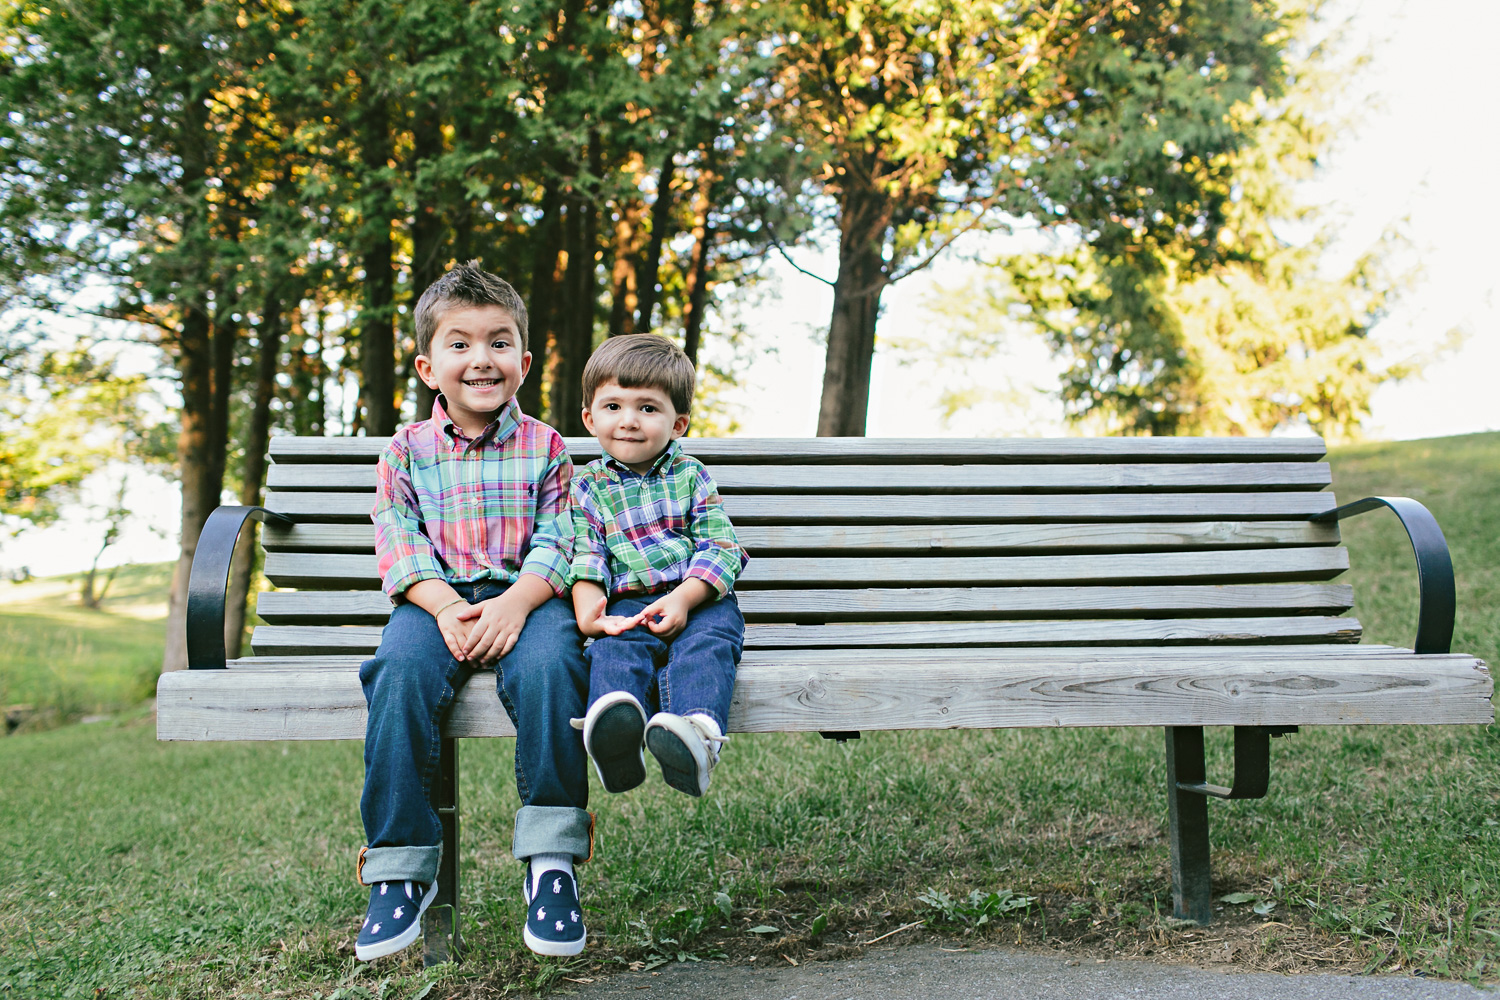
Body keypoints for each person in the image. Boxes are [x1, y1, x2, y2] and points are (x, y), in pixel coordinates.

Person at [355, 261, 591, 962]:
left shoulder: (547, 446)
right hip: (435, 605)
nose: (480, 359)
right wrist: (449, 607)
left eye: (497, 342)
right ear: (429, 366)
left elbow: (563, 535)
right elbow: (396, 538)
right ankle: (399, 870)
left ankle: (551, 864)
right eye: (460, 344)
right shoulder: (406, 450)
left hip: (531, 600)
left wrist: (517, 602)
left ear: (522, 361)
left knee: (553, 668)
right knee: (396, 675)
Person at [567, 334, 749, 799]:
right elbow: (586, 554)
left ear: (678, 423)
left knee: (707, 645)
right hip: (629, 603)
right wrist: (592, 613)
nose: (628, 421)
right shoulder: (587, 487)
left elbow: (721, 545)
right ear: (589, 418)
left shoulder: (690, 475)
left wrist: (686, 597)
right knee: (613, 648)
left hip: (698, 598)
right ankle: (615, 734)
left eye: (647, 408)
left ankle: (697, 739)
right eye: (613, 407)